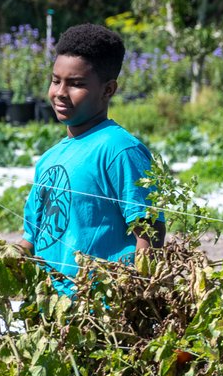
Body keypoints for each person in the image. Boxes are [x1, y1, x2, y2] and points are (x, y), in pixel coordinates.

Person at [19, 24, 164, 294]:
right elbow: (31, 239)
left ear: (108, 90)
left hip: (101, 314)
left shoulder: (120, 150)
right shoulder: (50, 157)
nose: (60, 92)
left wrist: (138, 300)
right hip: (50, 314)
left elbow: (149, 234)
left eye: (76, 84)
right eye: (55, 80)